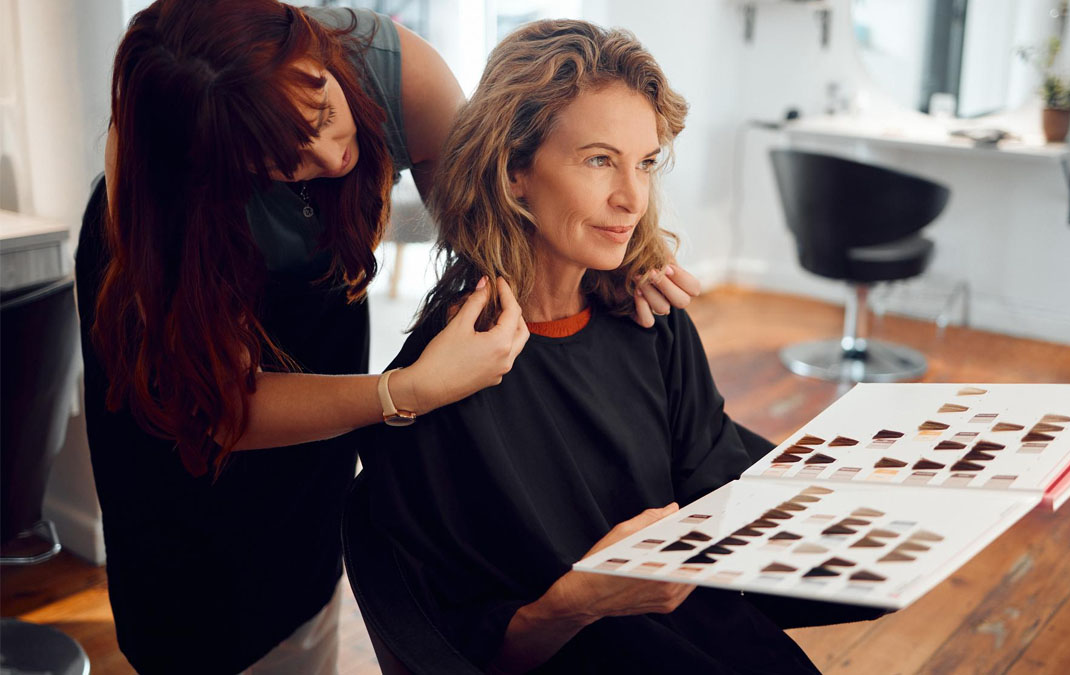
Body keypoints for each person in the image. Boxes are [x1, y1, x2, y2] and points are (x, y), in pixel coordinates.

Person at [76, 2, 699, 673]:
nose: (330, 156)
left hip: (316, 310)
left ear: (313, 52)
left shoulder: (399, 76)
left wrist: (616, 255)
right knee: (191, 598)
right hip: (183, 353)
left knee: (302, 543)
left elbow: (494, 219)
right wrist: (404, 391)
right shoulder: (155, 188)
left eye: (319, 117)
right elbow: (221, 408)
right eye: (280, 159)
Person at [360, 19, 851, 673]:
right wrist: (578, 601)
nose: (631, 197)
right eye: (599, 160)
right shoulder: (441, 385)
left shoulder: (652, 321)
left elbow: (719, 492)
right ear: (514, 175)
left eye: (644, 163)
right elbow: (453, 651)